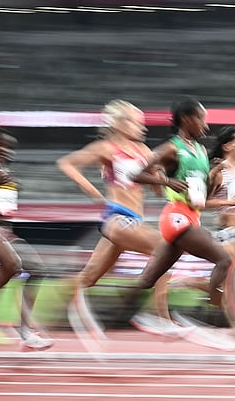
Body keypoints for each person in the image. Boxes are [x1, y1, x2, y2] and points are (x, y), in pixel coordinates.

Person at [113, 98, 233, 329]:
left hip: (192, 217)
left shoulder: (200, 151)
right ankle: (212, 312)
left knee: (147, 280)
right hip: (176, 217)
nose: (206, 126)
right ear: (186, 119)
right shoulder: (172, 148)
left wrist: (214, 179)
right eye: (201, 119)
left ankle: (113, 315)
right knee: (224, 259)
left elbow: (201, 198)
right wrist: (166, 181)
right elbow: (134, 174)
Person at [57, 100, 167, 328]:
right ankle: (161, 318)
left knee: (89, 278)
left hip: (133, 221)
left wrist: (159, 174)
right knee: (166, 250)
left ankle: (40, 306)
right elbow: (67, 164)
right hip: (118, 216)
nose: (143, 128)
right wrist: (91, 191)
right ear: (119, 124)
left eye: (142, 124)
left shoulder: (144, 151)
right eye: (137, 123)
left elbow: (158, 191)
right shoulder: (106, 148)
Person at [154, 126, 235, 319]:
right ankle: (194, 287)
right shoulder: (218, 173)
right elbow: (201, 203)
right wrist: (228, 203)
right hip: (229, 236)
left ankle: (191, 283)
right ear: (228, 146)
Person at [0, 122, 55, 351]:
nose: (7, 152)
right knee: (12, 263)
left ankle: (25, 332)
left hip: (2, 232)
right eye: (3, 147)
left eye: (10, 148)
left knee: (38, 269)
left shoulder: (2, 172)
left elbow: (3, 211)